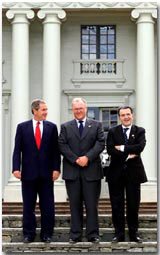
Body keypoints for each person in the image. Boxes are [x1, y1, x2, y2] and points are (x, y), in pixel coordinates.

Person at [12, 99, 60, 243]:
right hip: (28, 174)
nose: (46, 112)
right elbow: (17, 150)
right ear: (35, 110)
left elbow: (55, 151)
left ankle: (47, 234)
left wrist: (56, 168)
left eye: (46, 109)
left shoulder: (52, 127)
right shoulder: (22, 127)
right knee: (28, 206)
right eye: (43, 110)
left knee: (47, 206)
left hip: (47, 174)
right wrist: (15, 168)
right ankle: (28, 234)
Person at [58, 98, 105, 243]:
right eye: (76, 108)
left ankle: (93, 235)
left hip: (91, 171)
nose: (78, 111)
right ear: (72, 110)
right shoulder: (65, 126)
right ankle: (75, 235)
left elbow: (100, 143)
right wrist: (76, 159)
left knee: (92, 205)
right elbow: (62, 145)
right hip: (72, 172)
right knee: (74, 205)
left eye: (81, 108)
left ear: (86, 108)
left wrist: (87, 158)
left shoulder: (97, 125)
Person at [106, 106, 147, 243]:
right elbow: (111, 149)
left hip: (134, 173)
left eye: (128, 114)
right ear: (119, 117)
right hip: (115, 174)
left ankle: (134, 233)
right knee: (116, 205)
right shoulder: (112, 131)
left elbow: (140, 147)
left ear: (132, 115)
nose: (126, 117)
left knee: (133, 205)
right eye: (123, 115)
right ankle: (119, 234)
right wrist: (129, 154)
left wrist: (122, 148)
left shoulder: (140, 131)